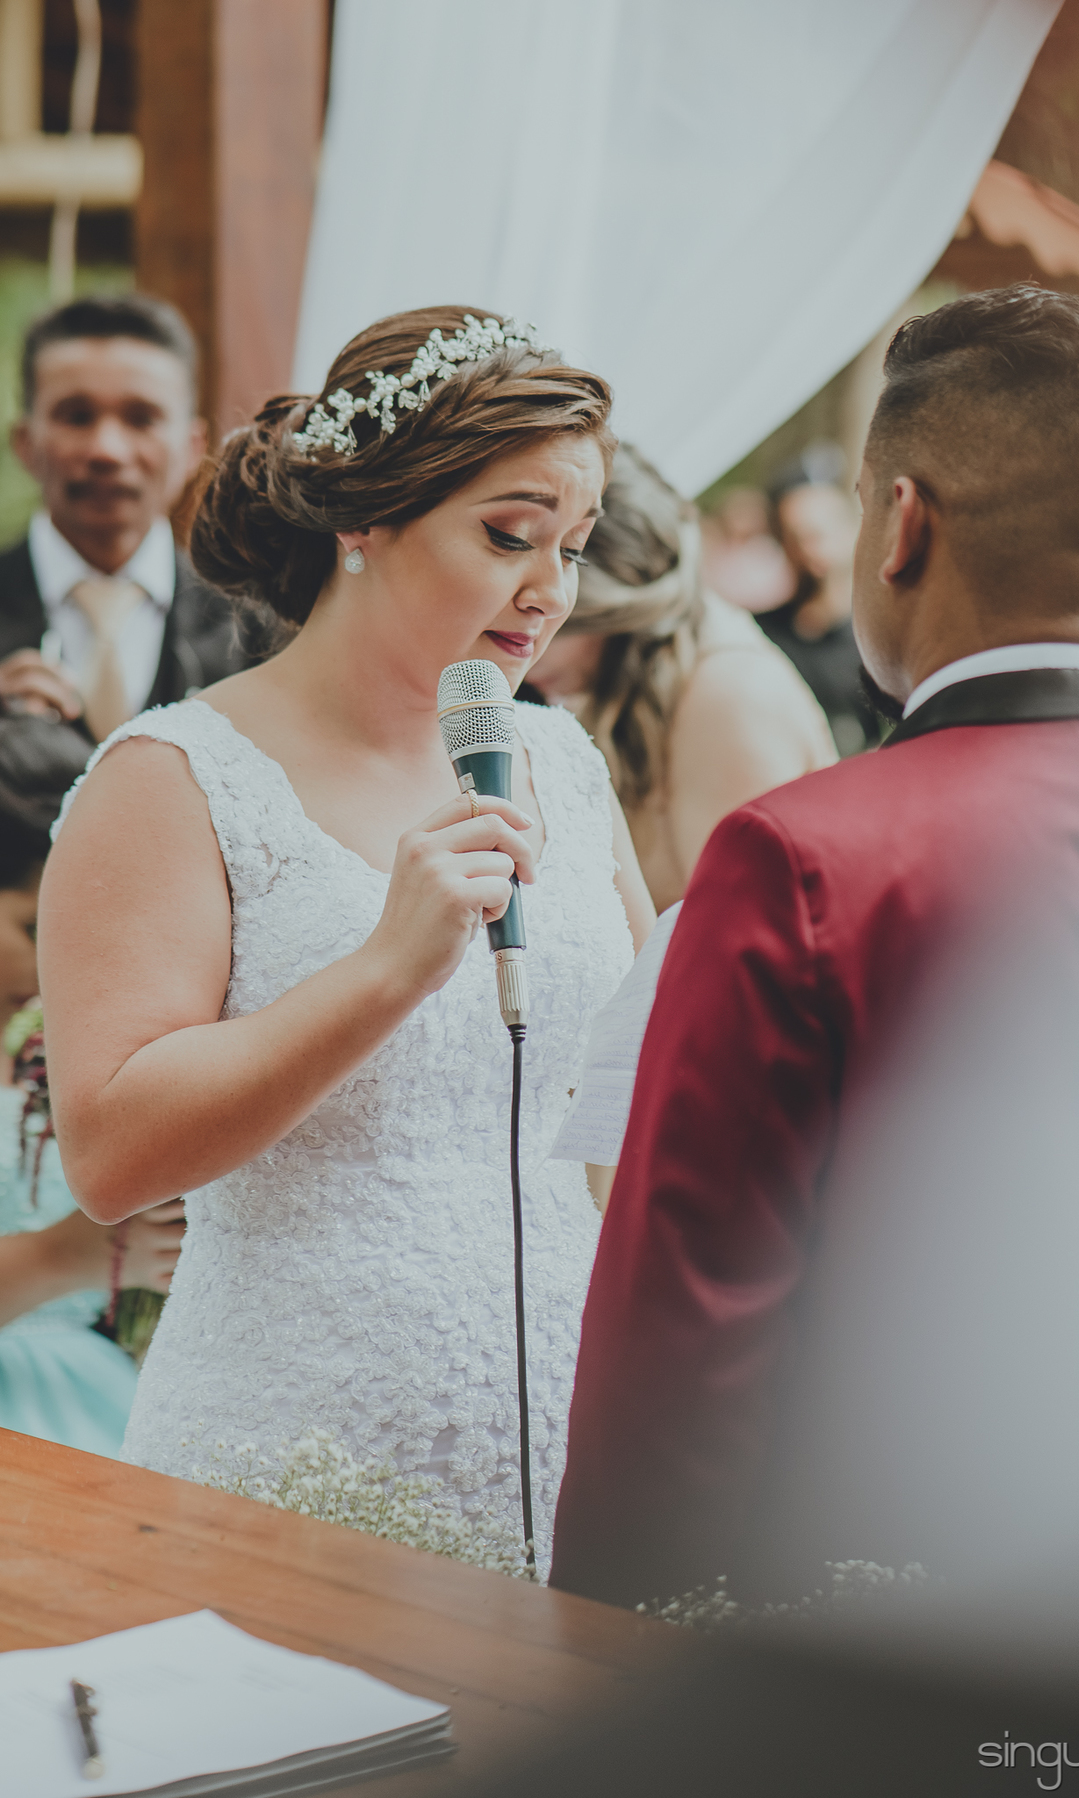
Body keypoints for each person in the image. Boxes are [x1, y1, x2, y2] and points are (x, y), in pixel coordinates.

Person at [549, 287, 1079, 1612]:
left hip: (875, 1640)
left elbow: (681, 1340)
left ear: (900, 524)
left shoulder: (797, 861)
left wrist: (600, 1653)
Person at [38, 307, 655, 1569]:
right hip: (292, 1442)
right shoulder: (172, 775)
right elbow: (108, 1150)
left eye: (574, 547)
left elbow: (633, 1093)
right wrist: (386, 968)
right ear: (361, 519)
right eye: (508, 535)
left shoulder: (561, 762)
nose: (550, 589)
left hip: (573, 1431)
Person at [527, 446, 836, 913]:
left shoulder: (727, 697)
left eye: (549, 620)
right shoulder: (629, 686)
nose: (527, 653)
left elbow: (735, 940)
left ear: (618, 610)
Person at [0, 711, 183, 1456]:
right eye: (31, 930)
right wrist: (68, 1256)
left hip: (100, 1397)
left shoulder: (68, 1044)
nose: (54, 965)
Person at [0, 293, 262, 740]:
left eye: (142, 418)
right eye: (77, 417)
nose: (107, 450)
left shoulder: (252, 628)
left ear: (192, 448)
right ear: (25, 442)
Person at [754, 468, 882, 754]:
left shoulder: (886, 638)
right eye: (795, 535)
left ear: (853, 529)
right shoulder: (760, 637)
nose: (809, 547)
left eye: (820, 531)